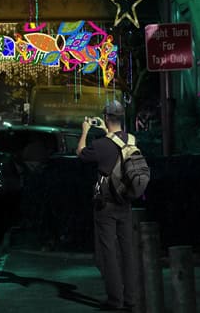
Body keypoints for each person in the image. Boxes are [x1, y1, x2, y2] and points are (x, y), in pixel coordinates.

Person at [77, 100, 137, 311]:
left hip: (106, 205)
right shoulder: (131, 139)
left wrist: (85, 131)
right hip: (126, 201)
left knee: (109, 252)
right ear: (121, 118)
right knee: (127, 250)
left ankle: (115, 300)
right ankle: (130, 298)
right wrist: (107, 132)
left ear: (106, 117)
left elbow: (81, 153)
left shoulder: (101, 145)